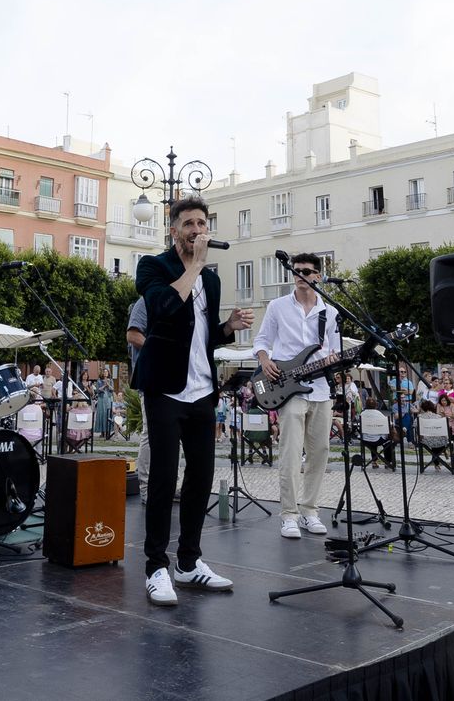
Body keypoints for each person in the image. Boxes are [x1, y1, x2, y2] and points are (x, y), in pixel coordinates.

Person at [134, 196, 252, 607]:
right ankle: (156, 567)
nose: (198, 230)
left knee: (201, 478)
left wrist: (227, 328)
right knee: (163, 479)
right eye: (189, 224)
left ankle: (188, 562)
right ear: (174, 231)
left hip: (202, 389)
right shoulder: (153, 267)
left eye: (202, 223)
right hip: (165, 389)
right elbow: (165, 308)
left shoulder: (211, 281)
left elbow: (202, 336)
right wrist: (195, 266)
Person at [253, 252, 338, 540]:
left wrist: (334, 360)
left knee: (319, 452)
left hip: (321, 389)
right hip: (288, 389)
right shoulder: (278, 306)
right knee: (290, 453)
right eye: (297, 270)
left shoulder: (330, 312)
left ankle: (309, 510)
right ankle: (288, 515)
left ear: (318, 276)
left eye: (307, 271)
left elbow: (334, 350)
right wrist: (265, 360)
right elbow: (262, 341)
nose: (301, 275)